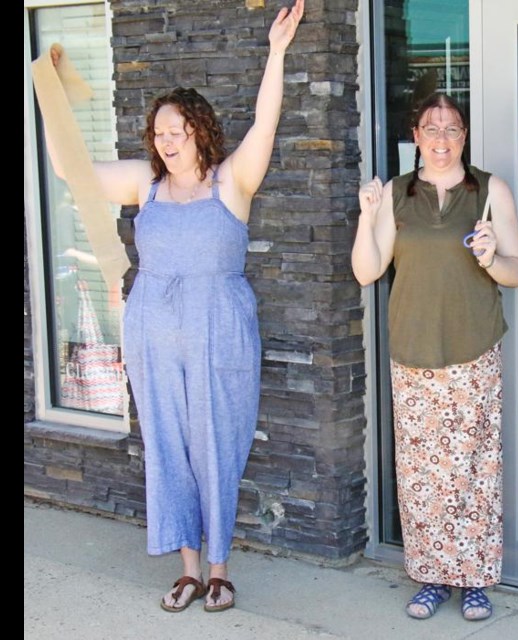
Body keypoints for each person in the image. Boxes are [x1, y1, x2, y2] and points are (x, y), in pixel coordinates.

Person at [42, 0, 304, 614]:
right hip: (153, 329)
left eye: (176, 132)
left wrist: (277, 53)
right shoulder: (143, 182)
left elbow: (266, 122)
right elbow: (69, 170)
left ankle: (220, 569)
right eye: (159, 133)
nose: (165, 141)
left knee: (218, 444)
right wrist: (47, 89)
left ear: (200, 132)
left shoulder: (232, 181)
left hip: (219, 328)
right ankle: (188, 568)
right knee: (166, 445)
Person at [352, 92, 518, 621]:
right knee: (422, 474)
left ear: (464, 136)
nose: (442, 139)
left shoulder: (490, 190)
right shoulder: (395, 194)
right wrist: (366, 217)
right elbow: (367, 271)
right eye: (432, 128)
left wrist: (493, 255)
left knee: (473, 470)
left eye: (452, 129)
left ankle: (473, 579)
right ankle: (430, 576)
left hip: (473, 347)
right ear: (416, 135)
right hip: (413, 351)